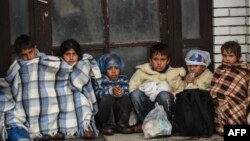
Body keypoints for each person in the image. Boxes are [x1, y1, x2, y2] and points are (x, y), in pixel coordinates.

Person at [129, 43, 185, 133]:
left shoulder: (173, 74)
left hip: (164, 107)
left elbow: (182, 89)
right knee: (135, 94)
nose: (159, 63)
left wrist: (173, 94)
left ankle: (165, 125)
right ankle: (146, 124)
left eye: (162, 59)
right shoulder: (142, 72)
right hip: (147, 107)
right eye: (155, 59)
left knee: (164, 95)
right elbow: (132, 88)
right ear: (150, 60)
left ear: (168, 61)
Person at [210, 41, 250, 135]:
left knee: (226, 105)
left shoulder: (245, 71)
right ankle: (224, 130)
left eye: (231, 56)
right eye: (224, 55)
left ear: (238, 56)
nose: (227, 58)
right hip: (217, 101)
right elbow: (214, 86)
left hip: (237, 103)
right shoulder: (220, 69)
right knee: (219, 105)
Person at [94, 53, 133, 135]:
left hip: (118, 110)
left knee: (125, 98)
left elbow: (127, 92)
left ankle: (122, 125)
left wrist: (121, 93)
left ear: (120, 68)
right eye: (109, 68)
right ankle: (108, 126)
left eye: (116, 68)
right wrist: (111, 91)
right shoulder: (101, 79)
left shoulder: (123, 78)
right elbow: (98, 93)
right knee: (106, 98)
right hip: (105, 113)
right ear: (104, 69)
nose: (114, 71)